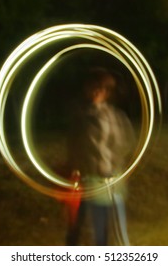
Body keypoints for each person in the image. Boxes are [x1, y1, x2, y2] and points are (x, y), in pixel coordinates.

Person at [65, 67, 135, 246]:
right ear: (87, 88)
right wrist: (75, 168)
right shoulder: (81, 116)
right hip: (90, 181)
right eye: (93, 86)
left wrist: (112, 164)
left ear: (108, 92)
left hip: (111, 181)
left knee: (119, 233)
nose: (97, 91)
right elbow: (75, 146)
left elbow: (126, 142)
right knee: (87, 231)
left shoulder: (114, 116)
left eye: (102, 88)